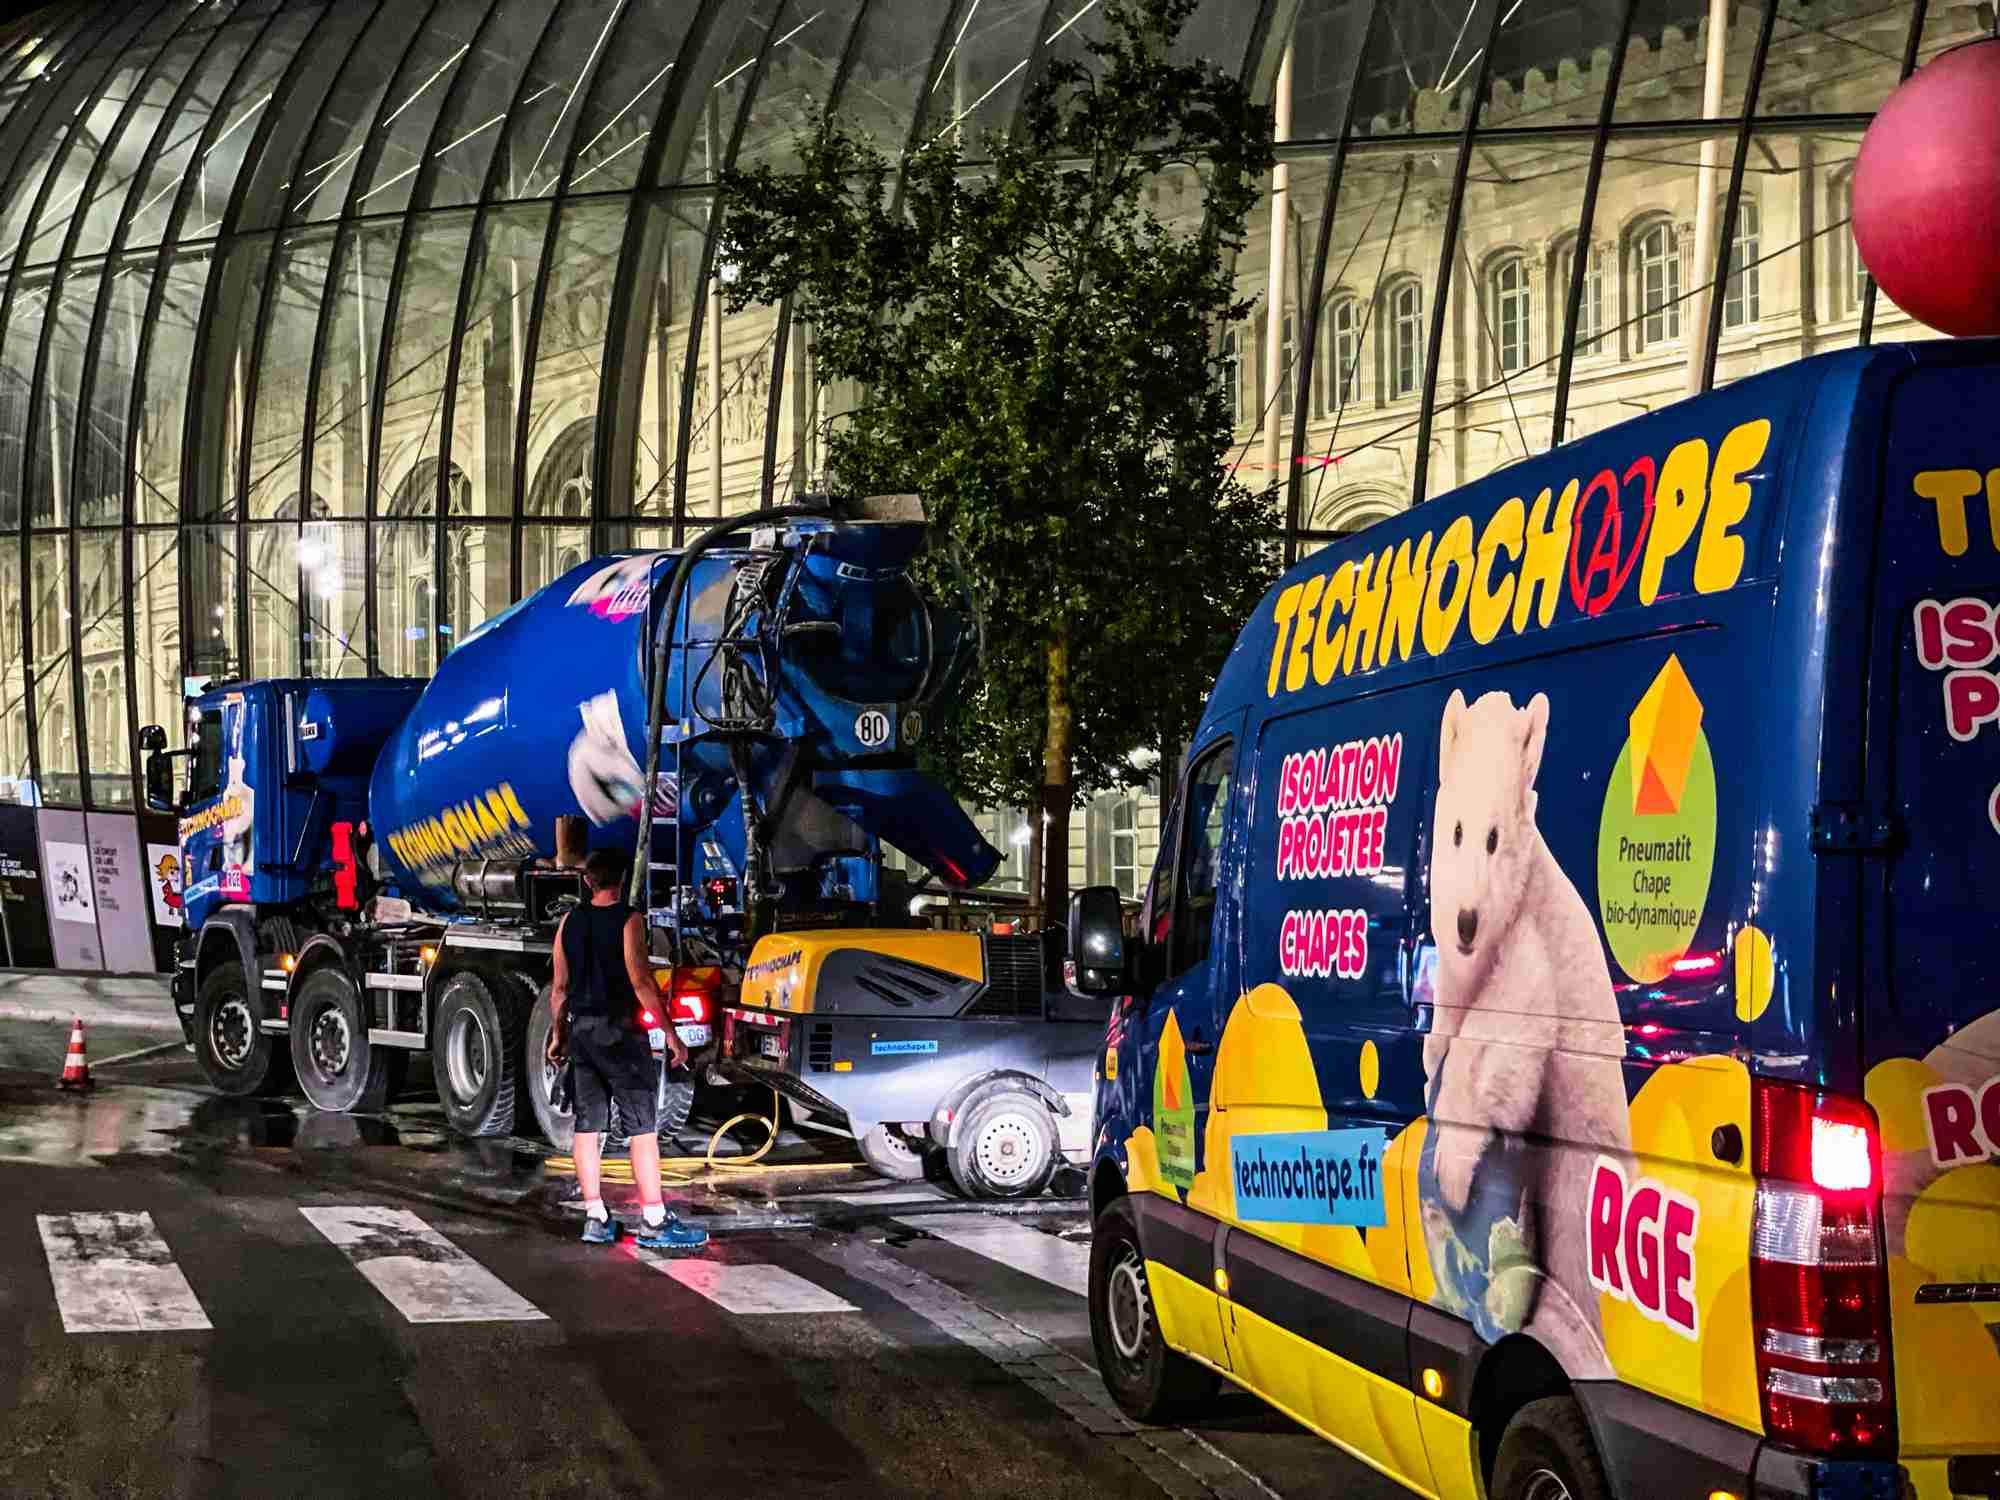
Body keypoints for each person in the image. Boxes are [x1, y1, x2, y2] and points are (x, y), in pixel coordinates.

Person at [546, 849, 708, 1252]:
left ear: (587, 882)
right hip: (620, 1034)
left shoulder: (568, 922)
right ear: (621, 880)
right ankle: (654, 1219)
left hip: (582, 1033)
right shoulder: (629, 919)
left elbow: (559, 988)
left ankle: (596, 1217)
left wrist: (558, 1036)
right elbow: (640, 980)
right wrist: (672, 1035)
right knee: (642, 1128)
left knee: (588, 1126)